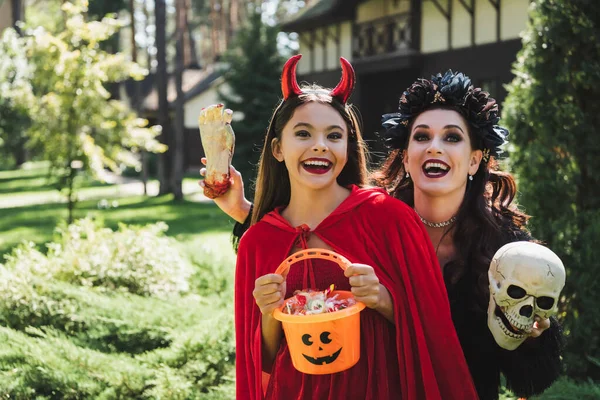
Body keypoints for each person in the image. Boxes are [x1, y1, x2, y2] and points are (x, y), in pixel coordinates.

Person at [201, 69, 564, 400]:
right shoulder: (386, 214)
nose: (434, 147)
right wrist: (245, 214)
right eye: (422, 137)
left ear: (475, 159)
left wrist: (532, 333)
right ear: (405, 157)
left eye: (452, 137)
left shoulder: (497, 244)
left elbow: (432, 332)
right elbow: (304, 234)